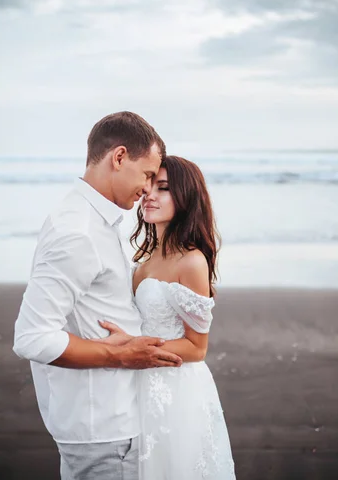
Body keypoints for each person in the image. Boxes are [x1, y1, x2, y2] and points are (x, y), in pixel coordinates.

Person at [13, 111, 182, 480]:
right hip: (104, 429)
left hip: (109, 422)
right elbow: (32, 337)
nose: (150, 189)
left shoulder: (93, 221)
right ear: (119, 157)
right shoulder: (79, 232)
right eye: (148, 174)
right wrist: (120, 355)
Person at [100, 156, 236, 479]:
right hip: (140, 385)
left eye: (163, 189)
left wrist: (133, 347)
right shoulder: (145, 258)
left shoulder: (190, 262)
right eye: (149, 186)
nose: (149, 195)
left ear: (186, 198)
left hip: (176, 390)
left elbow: (197, 347)